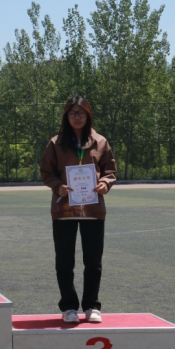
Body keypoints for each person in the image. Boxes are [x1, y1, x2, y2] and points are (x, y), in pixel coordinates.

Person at [40, 96, 116, 324]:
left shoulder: (100, 142)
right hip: (64, 210)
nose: (76, 117)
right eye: (72, 113)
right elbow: (46, 172)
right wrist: (58, 187)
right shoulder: (55, 143)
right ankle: (69, 307)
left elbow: (110, 171)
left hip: (93, 210)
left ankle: (92, 306)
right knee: (65, 262)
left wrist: (104, 184)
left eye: (80, 112)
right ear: (66, 116)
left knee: (93, 262)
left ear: (88, 114)